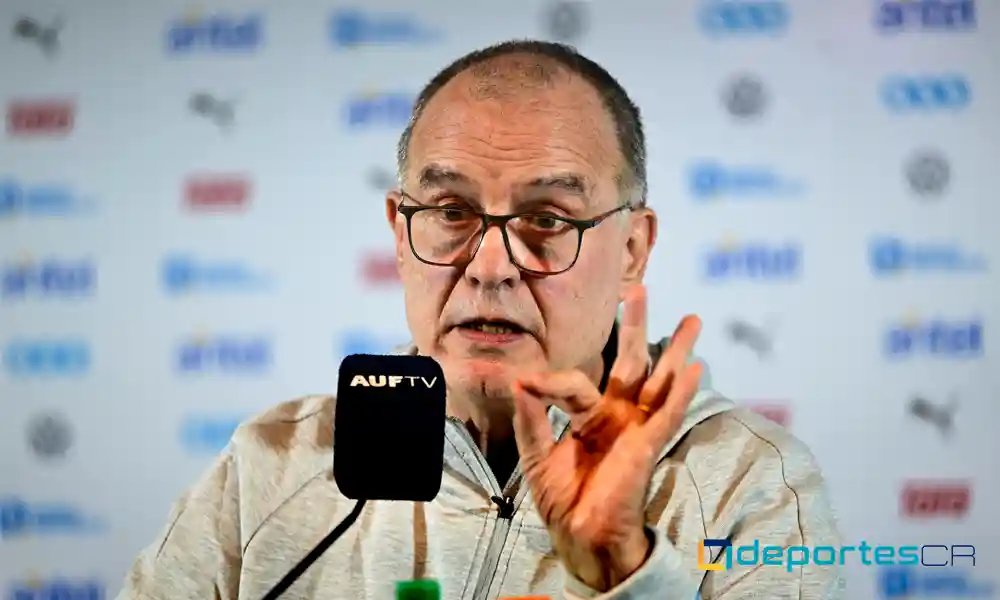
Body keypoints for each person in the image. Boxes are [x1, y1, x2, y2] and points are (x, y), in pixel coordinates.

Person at [115, 40, 845, 599]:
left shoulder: (748, 482)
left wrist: (624, 571)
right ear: (401, 233)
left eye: (546, 218)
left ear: (631, 249)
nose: (490, 265)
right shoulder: (272, 467)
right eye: (452, 212)